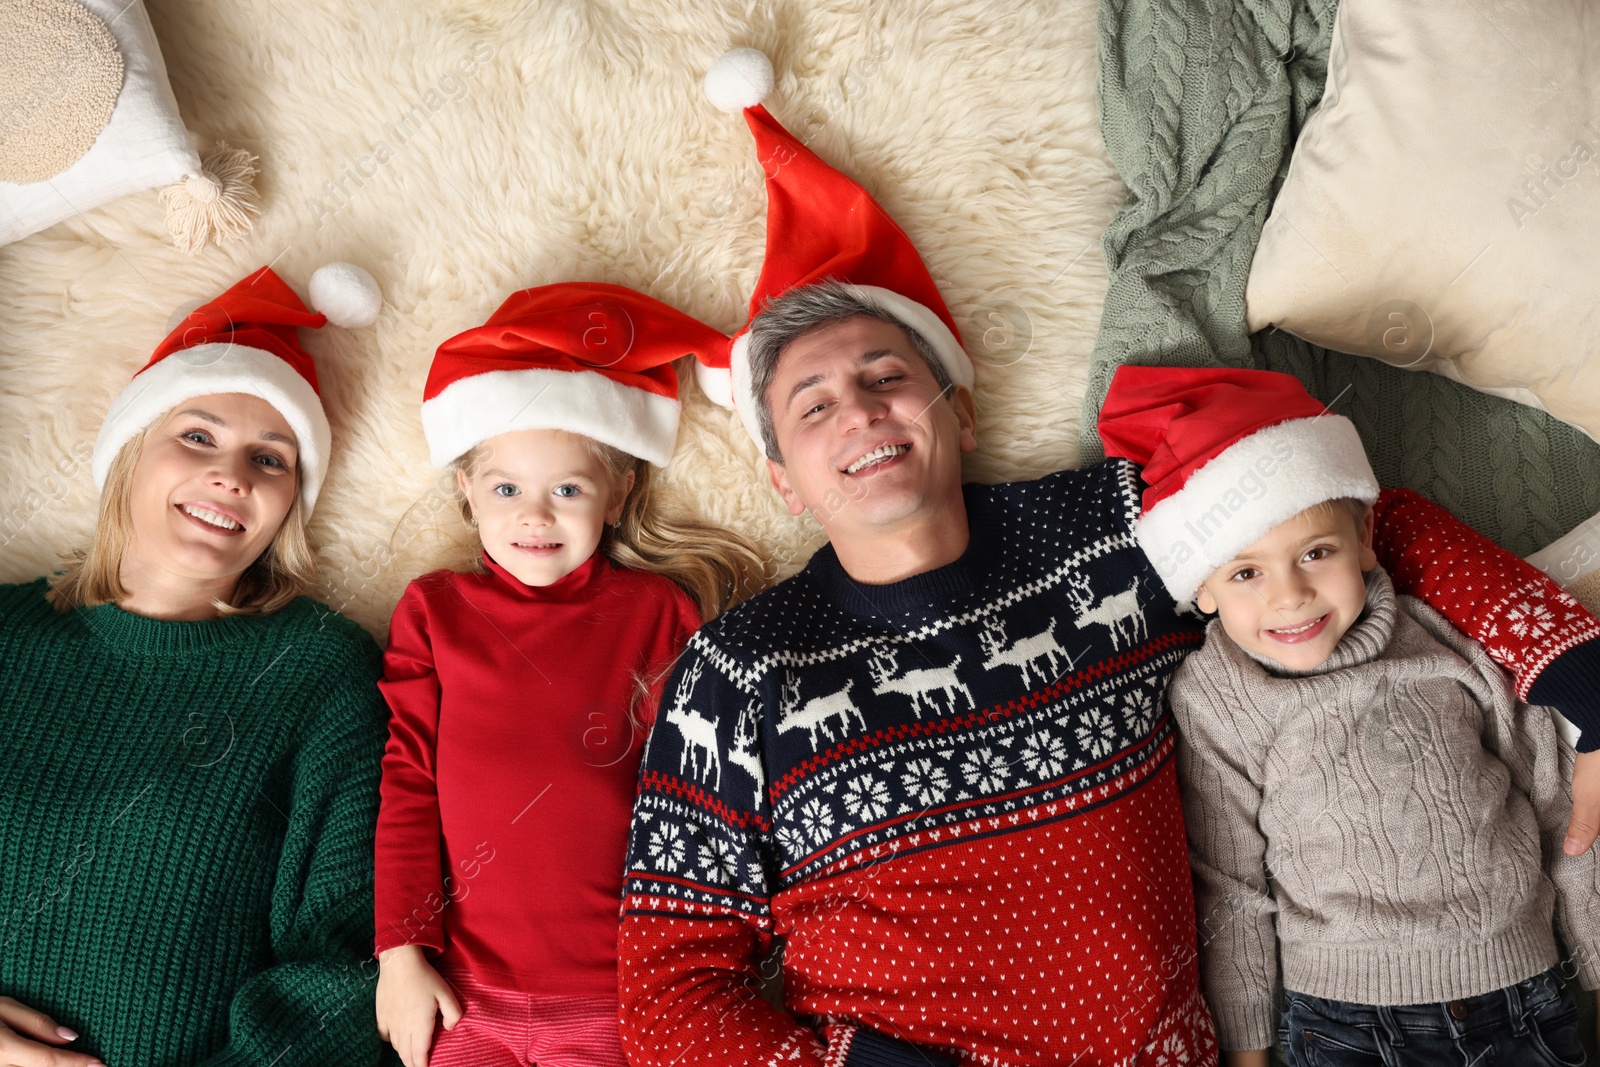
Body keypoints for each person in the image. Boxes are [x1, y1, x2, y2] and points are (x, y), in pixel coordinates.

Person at [615, 50, 1600, 1067]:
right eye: (812, 407)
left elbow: (1355, 523)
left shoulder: (1114, 528)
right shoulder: (737, 672)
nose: (860, 410)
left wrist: (1579, 677)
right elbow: (667, 997)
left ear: (955, 406)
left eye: (885, 375)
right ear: (784, 479)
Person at [1099, 365, 1600, 1067]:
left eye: (1316, 552)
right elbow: (1232, 884)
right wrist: (1248, 1050)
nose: (1291, 595)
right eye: (1246, 573)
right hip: (1346, 1025)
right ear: (1202, 589)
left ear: (1365, 537)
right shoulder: (1217, 696)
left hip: (1519, 996)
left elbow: (1557, 803)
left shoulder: (1446, 642)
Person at [0, 265, 391, 1067]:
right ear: (131, 452)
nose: (233, 476)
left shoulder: (320, 673)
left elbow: (347, 968)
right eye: (198, 436)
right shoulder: (8, 633)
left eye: (271, 459)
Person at [371, 283, 764, 1067]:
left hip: (616, 996)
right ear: (466, 489)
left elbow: (707, 795)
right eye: (506, 487)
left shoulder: (658, 612)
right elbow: (409, 782)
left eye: (569, 489)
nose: (535, 515)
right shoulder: (436, 612)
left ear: (618, 494)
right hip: (462, 996)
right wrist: (400, 954)